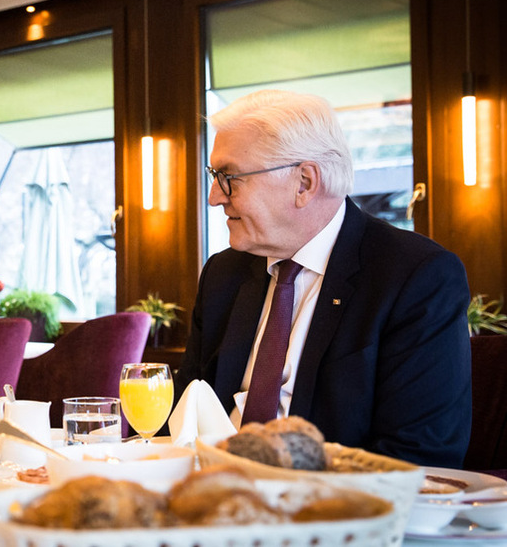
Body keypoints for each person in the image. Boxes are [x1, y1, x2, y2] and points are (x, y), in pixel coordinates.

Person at [176, 89, 471, 468]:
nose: (215, 196)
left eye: (230, 176)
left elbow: (421, 456)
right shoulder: (224, 274)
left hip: (332, 513)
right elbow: (182, 415)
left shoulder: (416, 276)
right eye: (215, 176)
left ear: (304, 183)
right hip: (209, 502)